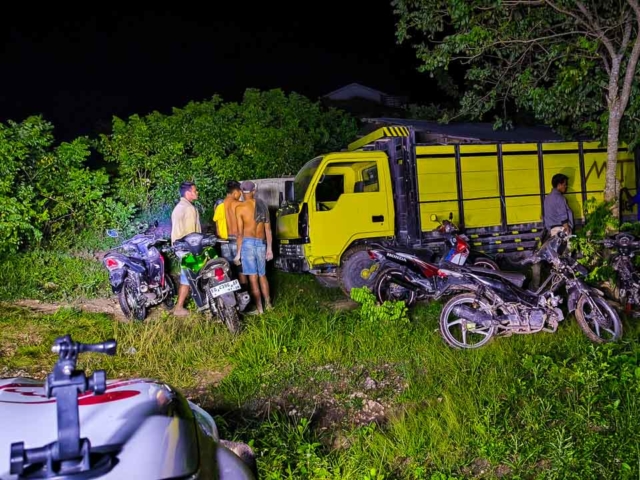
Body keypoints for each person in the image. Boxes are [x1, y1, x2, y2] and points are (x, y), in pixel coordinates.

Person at [234, 180, 273, 314]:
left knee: (253, 278)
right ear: (254, 191)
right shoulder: (263, 205)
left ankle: (259, 308)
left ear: (241, 192)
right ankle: (268, 304)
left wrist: (238, 253)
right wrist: (269, 249)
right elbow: (268, 230)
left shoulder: (240, 208)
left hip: (247, 245)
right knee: (263, 275)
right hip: (261, 243)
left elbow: (240, 233)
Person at [531, 173, 574, 290]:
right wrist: (566, 227)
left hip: (552, 230)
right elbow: (562, 214)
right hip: (561, 230)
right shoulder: (559, 197)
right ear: (559, 185)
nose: (566, 187)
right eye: (565, 184)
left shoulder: (547, 198)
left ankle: (556, 284)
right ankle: (564, 285)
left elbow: (543, 216)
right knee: (564, 259)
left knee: (556, 259)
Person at [170, 181, 201, 316]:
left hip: (179, 247)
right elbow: (191, 234)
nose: (197, 192)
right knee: (190, 276)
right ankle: (181, 307)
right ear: (188, 193)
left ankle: (185, 304)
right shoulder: (189, 208)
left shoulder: (179, 207)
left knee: (188, 275)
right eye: (195, 191)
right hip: (188, 247)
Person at [213, 180, 247, 287]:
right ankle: (245, 292)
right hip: (238, 241)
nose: (241, 194)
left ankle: (232, 296)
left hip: (224, 242)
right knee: (241, 269)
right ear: (236, 192)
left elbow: (218, 227)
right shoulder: (240, 205)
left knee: (228, 270)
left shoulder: (219, 206)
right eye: (240, 192)